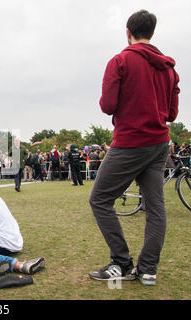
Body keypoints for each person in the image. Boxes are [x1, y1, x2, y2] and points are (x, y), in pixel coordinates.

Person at [89, 10, 180, 286]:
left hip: (131, 140)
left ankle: (122, 262)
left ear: (128, 32)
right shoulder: (169, 69)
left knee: (100, 199)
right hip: (159, 143)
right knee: (155, 207)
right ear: (151, 32)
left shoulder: (120, 61)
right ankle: (148, 268)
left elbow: (107, 106)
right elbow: (172, 114)